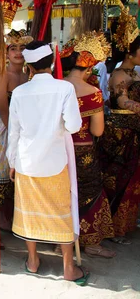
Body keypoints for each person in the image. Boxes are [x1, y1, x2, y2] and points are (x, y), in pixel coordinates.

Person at [8, 41, 87, 285]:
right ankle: (68, 267)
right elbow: (74, 126)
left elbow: (14, 132)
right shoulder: (64, 89)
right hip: (54, 162)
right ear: (52, 62)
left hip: (26, 162)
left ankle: (33, 261)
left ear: (29, 66)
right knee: (60, 212)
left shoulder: (20, 92)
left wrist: (12, 161)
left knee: (29, 215)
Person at [62, 32, 115, 258]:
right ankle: (91, 241)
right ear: (90, 68)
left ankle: (61, 241)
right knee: (90, 191)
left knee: (64, 193)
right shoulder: (93, 93)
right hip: (83, 150)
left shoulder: (58, 86)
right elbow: (97, 131)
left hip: (60, 149)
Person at [98, 13, 140, 245]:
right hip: (121, 131)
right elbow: (122, 101)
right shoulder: (120, 74)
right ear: (130, 52)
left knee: (132, 179)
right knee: (118, 179)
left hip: (132, 129)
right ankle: (113, 226)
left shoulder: (133, 73)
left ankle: (125, 223)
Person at [0, 29, 32, 231]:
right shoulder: (4, 75)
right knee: (2, 169)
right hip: (4, 126)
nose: (18, 52)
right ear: (6, 53)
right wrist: (12, 132)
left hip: (24, 128)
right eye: (13, 48)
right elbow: (1, 105)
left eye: (22, 48)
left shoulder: (29, 75)